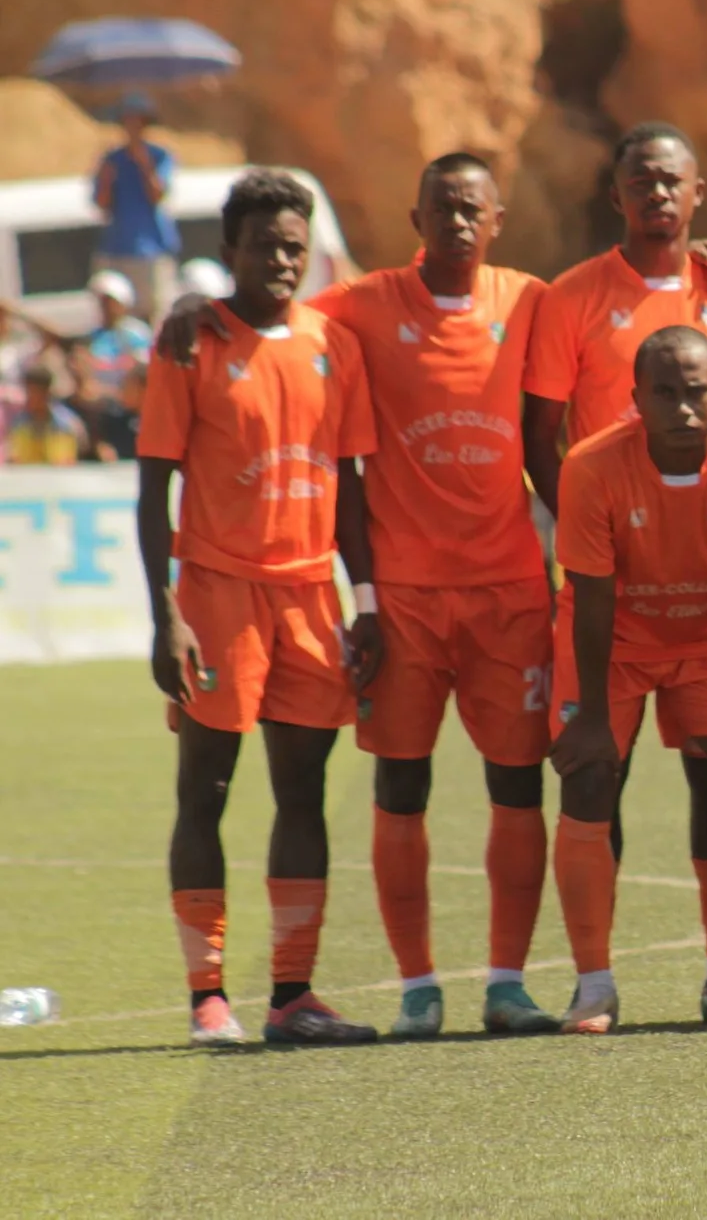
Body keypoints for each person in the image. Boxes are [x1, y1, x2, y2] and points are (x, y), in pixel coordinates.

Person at [158, 154, 563, 1035]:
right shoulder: (360, 308)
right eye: (442, 208)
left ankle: (503, 983)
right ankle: (412, 987)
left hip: (504, 590)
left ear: (497, 220)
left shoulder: (532, 300)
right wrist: (194, 303)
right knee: (395, 784)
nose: (458, 222)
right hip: (394, 599)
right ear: (414, 219)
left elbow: (618, 320)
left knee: (515, 784)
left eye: (473, 209)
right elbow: (264, 308)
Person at [521, 120, 707, 1023]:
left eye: (673, 181)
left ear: (698, 193)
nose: (658, 194)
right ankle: (594, 981)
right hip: (609, 580)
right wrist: (593, 529)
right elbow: (539, 433)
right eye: (641, 181)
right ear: (616, 194)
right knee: (599, 771)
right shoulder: (574, 295)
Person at [136, 169, 383, 1046]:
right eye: (265, 245)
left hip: (312, 597)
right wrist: (165, 611)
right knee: (205, 790)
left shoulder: (333, 343)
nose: (282, 260)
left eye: (294, 247)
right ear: (229, 251)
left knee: (303, 793)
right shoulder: (190, 344)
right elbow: (153, 488)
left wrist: (366, 600)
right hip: (218, 594)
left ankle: (292, 994)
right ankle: (208, 995)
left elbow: (350, 484)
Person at [548, 326, 707, 1032]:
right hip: (614, 641)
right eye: (664, 393)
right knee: (590, 778)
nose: (683, 407)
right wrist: (593, 717)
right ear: (636, 399)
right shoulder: (591, 465)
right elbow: (592, 598)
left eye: (697, 391)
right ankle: (593, 989)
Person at [91, 94, 180, 322]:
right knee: (120, 313)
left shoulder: (159, 156)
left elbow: (158, 195)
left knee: (153, 310)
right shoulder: (112, 159)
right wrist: (106, 178)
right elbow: (101, 203)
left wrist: (144, 163)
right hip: (117, 247)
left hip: (150, 248)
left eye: (137, 121)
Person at [78, 269, 153, 397]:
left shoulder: (137, 333)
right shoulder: (92, 336)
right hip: (99, 396)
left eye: (110, 302)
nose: (106, 307)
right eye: (102, 302)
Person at [4, 364, 90, 465]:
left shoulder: (66, 423)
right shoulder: (19, 423)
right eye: (28, 392)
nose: (30, 398)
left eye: (35, 393)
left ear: (46, 392)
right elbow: (16, 457)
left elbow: (68, 460)